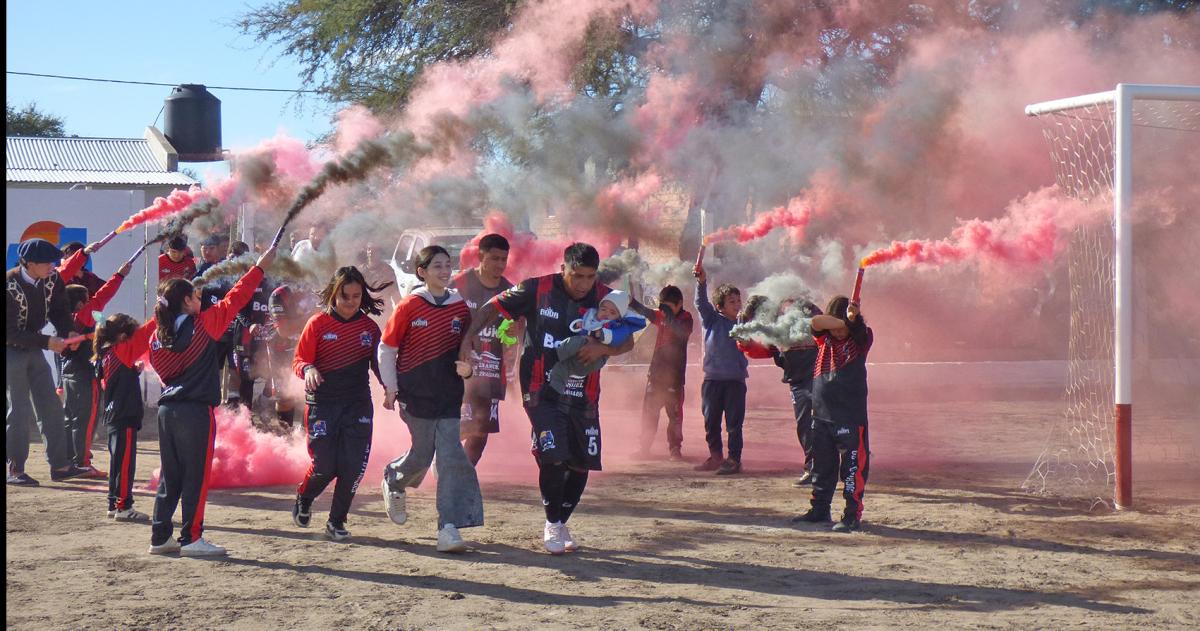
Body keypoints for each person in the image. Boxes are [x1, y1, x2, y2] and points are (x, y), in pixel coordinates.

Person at [460, 242, 641, 555]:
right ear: (563, 270)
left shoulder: (607, 297)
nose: (583, 284)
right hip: (541, 390)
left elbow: (629, 342)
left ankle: (561, 521)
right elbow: (492, 307)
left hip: (585, 395)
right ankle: (552, 523)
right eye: (577, 276)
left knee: (581, 464)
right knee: (554, 456)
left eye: (589, 277)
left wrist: (603, 349)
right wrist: (466, 341)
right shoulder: (537, 289)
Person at [146, 244, 277, 557]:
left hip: (168, 411)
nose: (200, 298)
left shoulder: (156, 338)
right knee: (196, 476)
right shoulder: (205, 325)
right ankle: (191, 538)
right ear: (186, 302)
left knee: (171, 475)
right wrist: (259, 267)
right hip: (194, 412)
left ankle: (160, 536)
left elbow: (164, 374)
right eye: (195, 295)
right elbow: (238, 297)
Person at [379, 246, 480, 553]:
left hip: (449, 394)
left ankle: (448, 527)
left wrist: (468, 368)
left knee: (450, 456)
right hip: (415, 394)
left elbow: (467, 348)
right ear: (422, 272)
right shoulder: (410, 305)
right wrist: (391, 388)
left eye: (447, 265)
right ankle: (394, 480)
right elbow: (387, 349)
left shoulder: (460, 308)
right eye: (437, 266)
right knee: (422, 455)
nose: (444, 271)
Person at [291, 266, 388, 541]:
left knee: (353, 465)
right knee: (326, 466)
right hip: (323, 404)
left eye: (356, 295)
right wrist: (308, 369)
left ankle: (337, 522)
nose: (351, 301)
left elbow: (380, 366)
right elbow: (298, 361)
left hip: (358, 405)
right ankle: (305, 495)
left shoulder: (369, 328)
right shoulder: (317, 324)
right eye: (345, 295)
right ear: (334, 294)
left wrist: (391, 389)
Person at [7, 238, 96, 485]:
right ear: (30, 263)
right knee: (18, 409)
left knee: (51, 406)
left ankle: (60, 466)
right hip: (10, 350)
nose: (52, 265)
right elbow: (9, 332)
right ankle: (14, 468)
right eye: (47, 262)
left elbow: (60, 309)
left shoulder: (53, 278)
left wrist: (68, 331)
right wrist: (48, 342)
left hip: (33, 347)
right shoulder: (8, 285)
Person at [793, 295, 872, 533]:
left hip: (849, 416)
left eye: (843, 326)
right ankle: (820, 509)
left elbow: (859, 331)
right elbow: (816, 322)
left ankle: (851, 515)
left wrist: (853, 320)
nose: (838, 332)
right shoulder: (822, 339)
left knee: (851, 469)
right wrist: (844, 320)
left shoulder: (861, 339)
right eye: (834, 325)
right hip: (822, 414)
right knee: (822, 467)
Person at [736, 298, 823, 486]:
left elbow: (825, 331)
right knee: (806, 426)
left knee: (820, 422)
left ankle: (833, 464)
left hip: (820, 375)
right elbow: (763, 350)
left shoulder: (803, 309)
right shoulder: (773, 326)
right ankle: (816, 467)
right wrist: (745, 343)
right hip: (798, 381)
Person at [61, 259, 133, 476]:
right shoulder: (84, 314)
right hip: (84, 371)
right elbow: (104, 295)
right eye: (87, 299)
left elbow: (100, 320)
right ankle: (82, 463)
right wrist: (120, 275)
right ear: (81, 304)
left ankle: (69, 459)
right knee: (86, 418)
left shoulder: (66, 318)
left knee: (71, 416)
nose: (91, 301)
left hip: (69, 371)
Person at [451, 233, 514, 466]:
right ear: (480, 256)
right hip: (460, 372)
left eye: (503, 260)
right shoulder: (459, 284)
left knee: (480, 433)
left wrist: (512, 350)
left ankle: (463, 474)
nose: (499, 265)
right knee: (461, 426)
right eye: (494, 258)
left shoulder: (510, 292)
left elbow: (517, 329)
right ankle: (447, 464)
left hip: (492, 373)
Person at [92, 313, 157, 522]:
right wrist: (165, 307)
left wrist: (132, 370)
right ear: (122, 336)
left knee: (117, 463)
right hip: (124, 415)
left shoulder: (106, 353)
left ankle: (114, 503)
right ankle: (124, 506)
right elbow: (148, 331)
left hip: (113, 416)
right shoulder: (121, 349)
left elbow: (112, 382)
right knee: (126, 464)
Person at [692, 261, 748, 475]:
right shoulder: (712, 320)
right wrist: (701, 282)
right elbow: (700, 302)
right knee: (711, 421)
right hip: (712, 380)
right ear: (720, 306)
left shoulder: (745, 324)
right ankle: (716, 457)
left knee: (734, 424)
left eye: (738, 300)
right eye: (731, 301)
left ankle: (734, 460)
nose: (736, 304)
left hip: (735, 381)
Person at [630, 285, 694, 460]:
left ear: (679, 304)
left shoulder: (686, 318)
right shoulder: (661, 315)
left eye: (668, 306)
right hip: (656, 376)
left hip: (675, 379)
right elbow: (646, 312)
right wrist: (631, 302)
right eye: (662, 307)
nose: (663, 311)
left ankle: (675, 448)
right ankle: (644, 448)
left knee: (675, 416)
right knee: (649, 414)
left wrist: (669, 316)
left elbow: (682, 333)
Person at [545, 290, 645, 395]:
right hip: (577, 358)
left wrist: (602, 335)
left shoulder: (617, 325)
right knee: (561, 370)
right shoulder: (592, 317)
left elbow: (617, 337)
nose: (606, 314)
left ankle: (554, 355)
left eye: (612, 312)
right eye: (603, 309)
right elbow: (584, 328)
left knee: (578, 342)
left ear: (619, 316)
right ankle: (554, 392)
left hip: (594, 359)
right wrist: (579, 325)